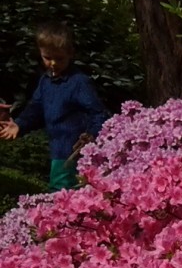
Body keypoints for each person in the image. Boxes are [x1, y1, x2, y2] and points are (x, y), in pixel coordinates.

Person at [0, 21, 109, 192]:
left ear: (70, 54)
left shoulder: (79, 82)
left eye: (59, 59)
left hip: (73, 150)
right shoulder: (46, 81)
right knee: (61, 190)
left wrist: (91, 138)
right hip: (57, 149)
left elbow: (98, 113)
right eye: (47, 57)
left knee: (61, 192)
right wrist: (19, 124)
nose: (52, 64)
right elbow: (35, 108)